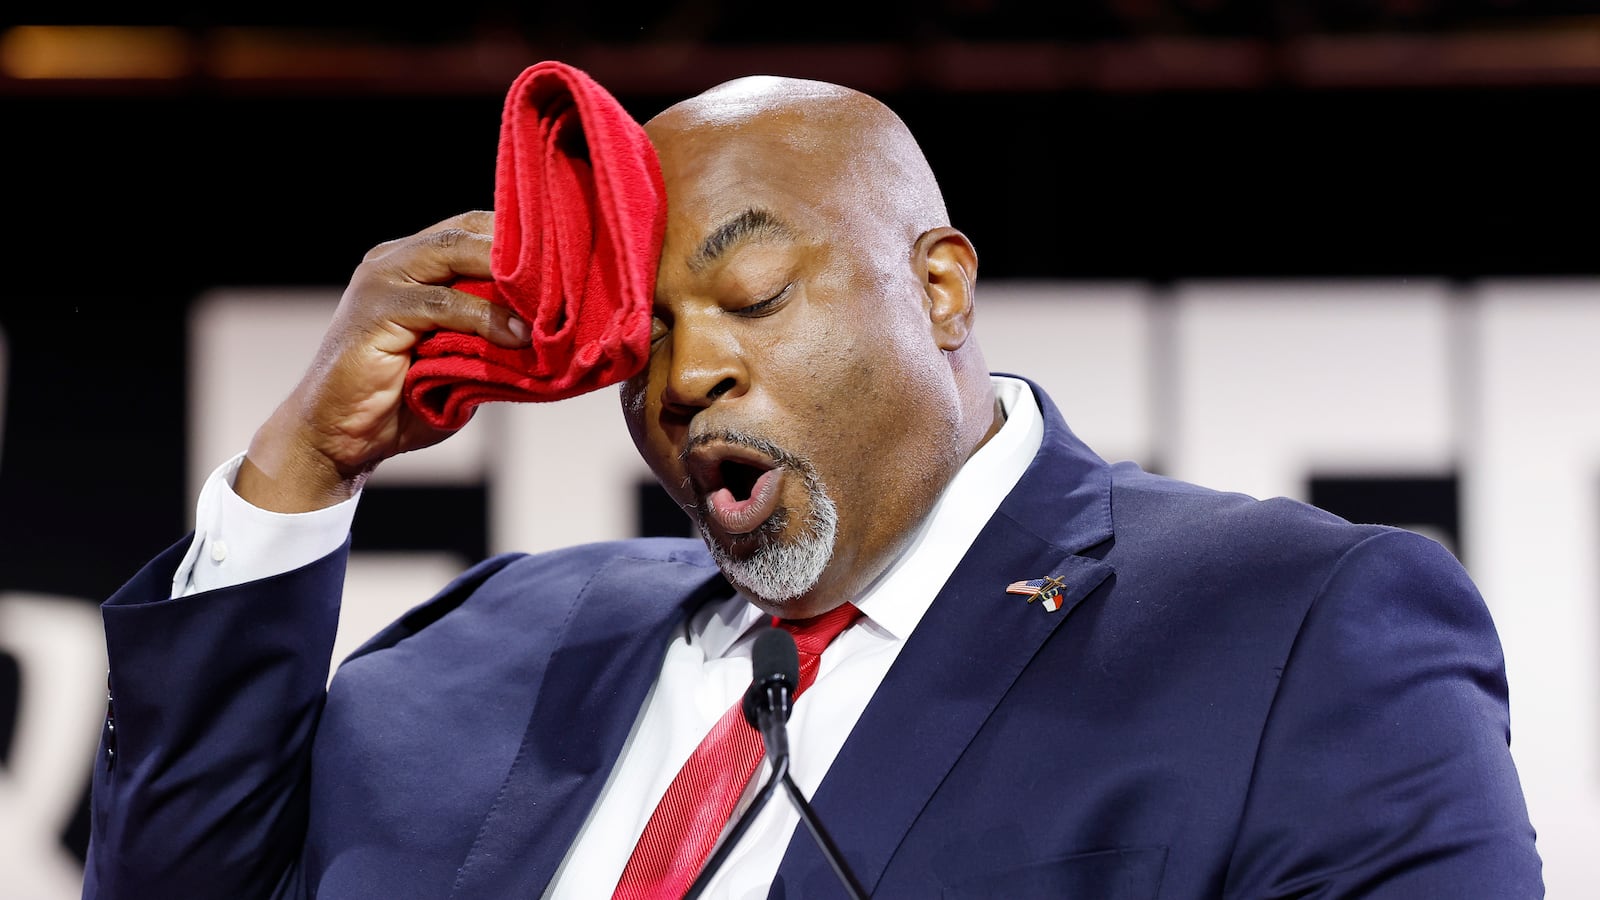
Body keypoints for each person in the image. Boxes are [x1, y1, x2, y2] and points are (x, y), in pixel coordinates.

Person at [84, 75, 1542, 899]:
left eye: (755, 295)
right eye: (639, 335)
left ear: (942, 286)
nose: (685, 375)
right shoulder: (494, 647)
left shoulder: (1293, 629)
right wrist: (298, 476)